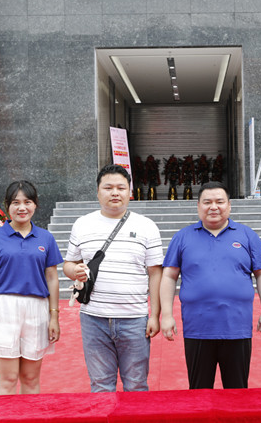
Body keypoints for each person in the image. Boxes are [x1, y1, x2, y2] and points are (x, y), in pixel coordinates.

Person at [160, 182, 261, 389]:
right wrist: (167, 316)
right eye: (207, 202)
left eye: (219, 202)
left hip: (237, 328)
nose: (214, 207)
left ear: (229, 205)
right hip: (197, 329)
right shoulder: (183, 237)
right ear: (198, 206)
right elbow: (169, 276)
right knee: (199, 392)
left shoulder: (247, 235)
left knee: (237, 391)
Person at [63, 164, 163, 392]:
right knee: (100, 386)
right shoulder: (82, 224)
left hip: (134, 319)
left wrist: (155, 315)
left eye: (121, 188)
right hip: (93, 319)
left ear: (130, 192)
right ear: (98, 192)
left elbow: (155, 273)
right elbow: (69, 264)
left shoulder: (147, 226)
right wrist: (74, 271)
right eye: (108, 188)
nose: (115, 193)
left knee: (136, 385)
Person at [0, 180, 62, 395]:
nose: (22, 207)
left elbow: (52, 278)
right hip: (4, 308)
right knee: (8, 379)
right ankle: (5, 414)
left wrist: (54, 316)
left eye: (27, 202)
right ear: (7, 206)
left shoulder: (45, 238)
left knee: (30, 378)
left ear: (35, 204)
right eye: (16, 202)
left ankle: (30, 414)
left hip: (36, 308)